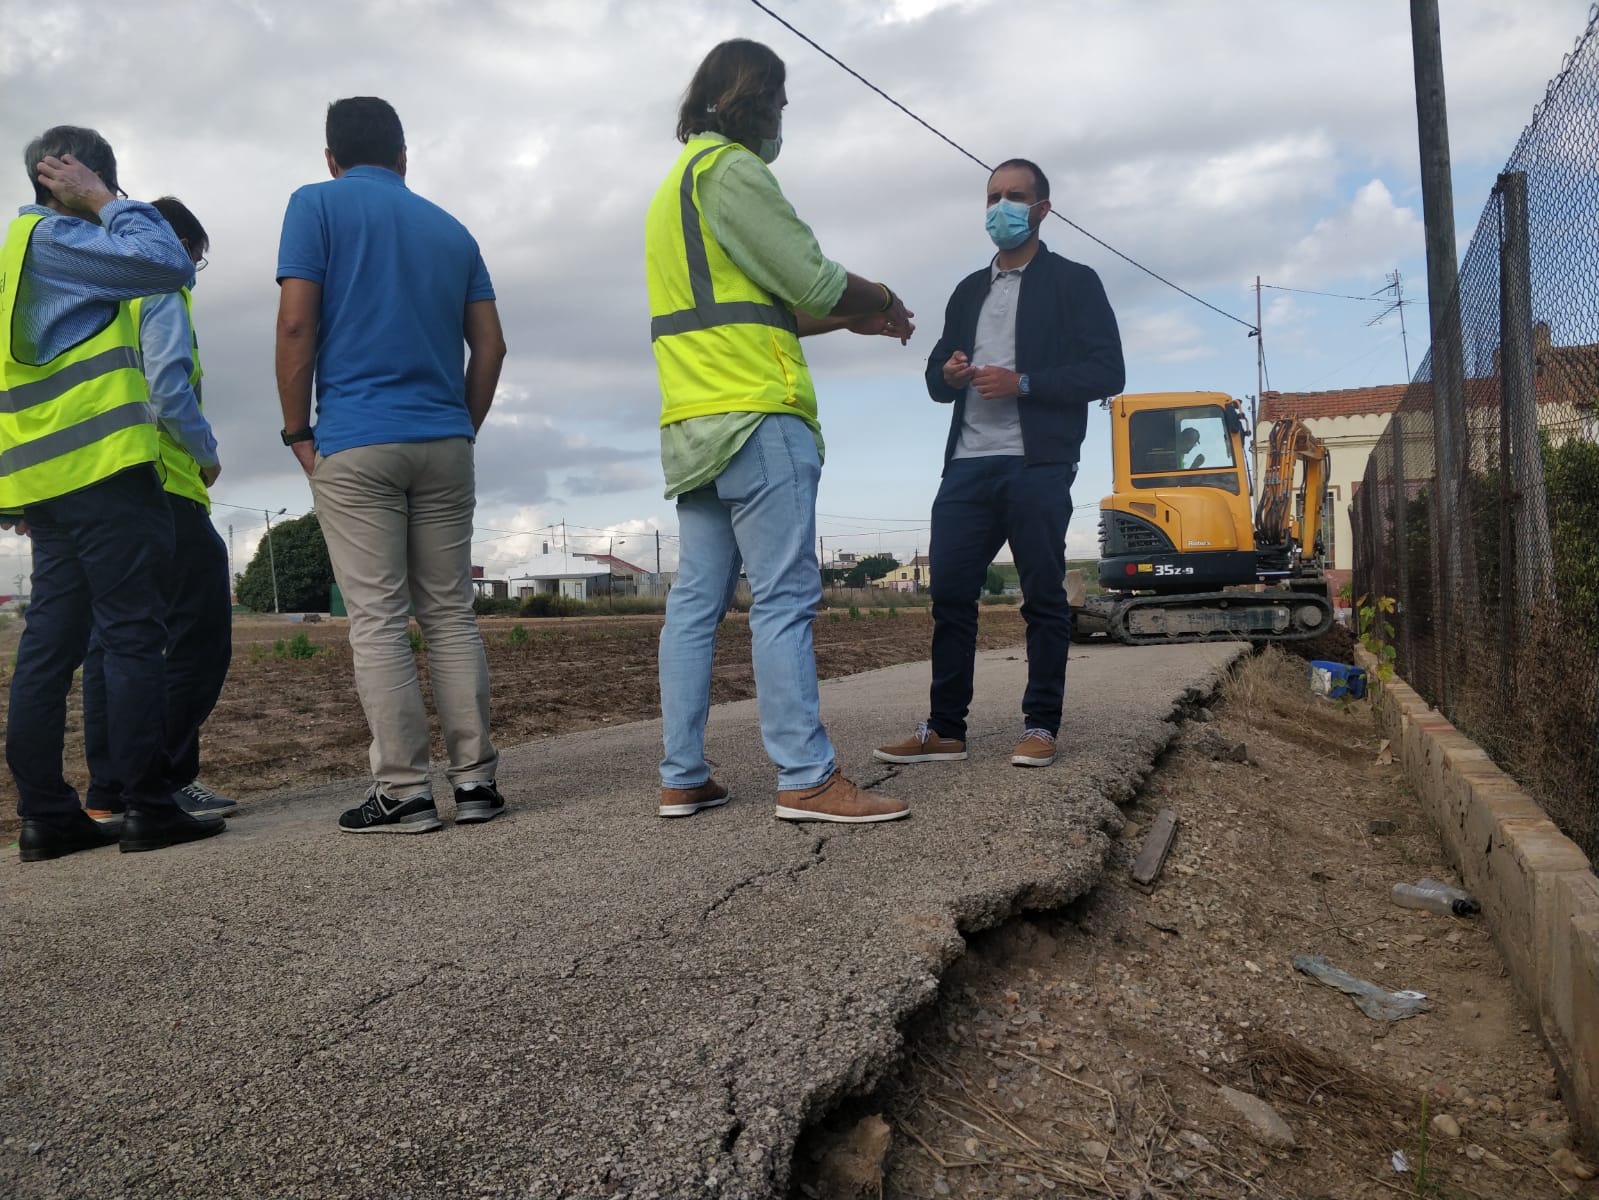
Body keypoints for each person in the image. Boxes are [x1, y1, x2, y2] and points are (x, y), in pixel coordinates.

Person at [647, 39, 917, 824]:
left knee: (695, 604)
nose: (782, 122)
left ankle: (682, 773)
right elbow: (812, 276)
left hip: (694, 421)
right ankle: (804, 776)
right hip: (757, 415)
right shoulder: (732, 171)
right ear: (756, 99)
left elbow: (761, 309)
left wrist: (847, 325)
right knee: (784, 599)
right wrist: (882, 296)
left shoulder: (674, 189)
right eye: (781, 105)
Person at [275, 97, 507, 835]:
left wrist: (296, 432)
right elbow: (491, 347)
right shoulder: (452, 228)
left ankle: (404, 793)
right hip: (444, 440)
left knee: (376, 620)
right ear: (404, 157)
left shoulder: (314, 205)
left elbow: (295, 322)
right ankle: (475, 785)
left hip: (357, 439)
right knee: (449, 615)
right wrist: (458, 428)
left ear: (331, 158)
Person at [2, 126, 226, 859]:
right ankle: (146, 804)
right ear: (72, 177)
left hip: (44, 477)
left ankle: (46, 816)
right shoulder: (57, 238)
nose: (116, 201)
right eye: (109, 184)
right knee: (132, 636)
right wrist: (103, 200)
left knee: (49, 647)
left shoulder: (15, 254)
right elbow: (166, 265)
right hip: (104, 468)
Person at [875, 158, 1124, 771]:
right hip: (965, 465)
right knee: (951, 597)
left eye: (1015, 196)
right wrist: (950, 373)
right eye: (992, 197)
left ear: (1042, 209)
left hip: (1037, 464)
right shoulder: (967, 291)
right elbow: (936, 378)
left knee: (1042, 596)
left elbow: (1108, 373)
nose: (1001, 208)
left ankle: (1040, 724)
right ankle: (945, 730)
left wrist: (1026, 382)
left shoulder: (1075, 281)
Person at [81, 196, 236, 825]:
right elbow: (170, 384)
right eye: (194, 255)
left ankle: (108, 793)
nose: (193, 268)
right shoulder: (161, 284)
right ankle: (163, 778)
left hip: (96, 485)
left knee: (112, 639)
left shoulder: (91, 293)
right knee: (198, 639)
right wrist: (206, 451)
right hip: (165, 481)